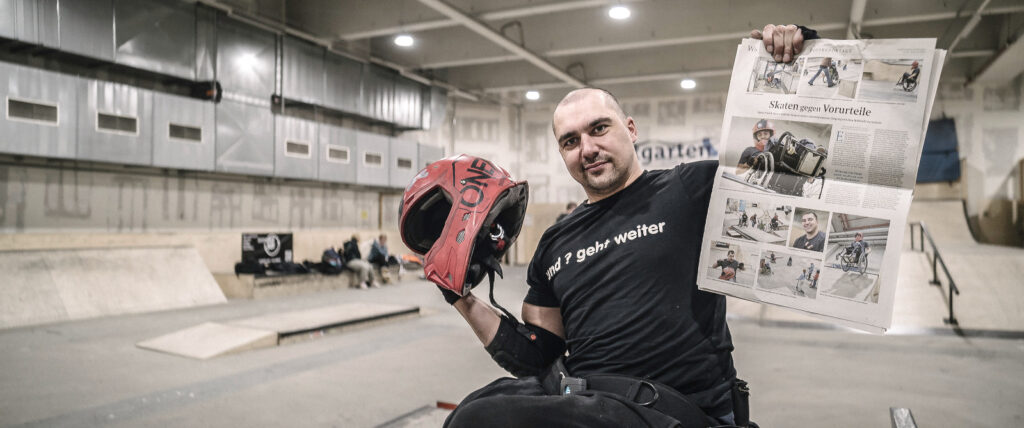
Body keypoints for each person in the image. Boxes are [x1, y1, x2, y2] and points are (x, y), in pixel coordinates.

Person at [429, 24, 814, 428]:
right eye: (570, 141)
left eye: (599, 129)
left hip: (676, 411)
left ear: (630, 129)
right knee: (473, 411)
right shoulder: (556, 241)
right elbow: (537, 356)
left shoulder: (689, 189)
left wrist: (798, 57)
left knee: (485, 418)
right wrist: (460, 295)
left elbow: (802, 173)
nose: (588, 149)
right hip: (587, 401)